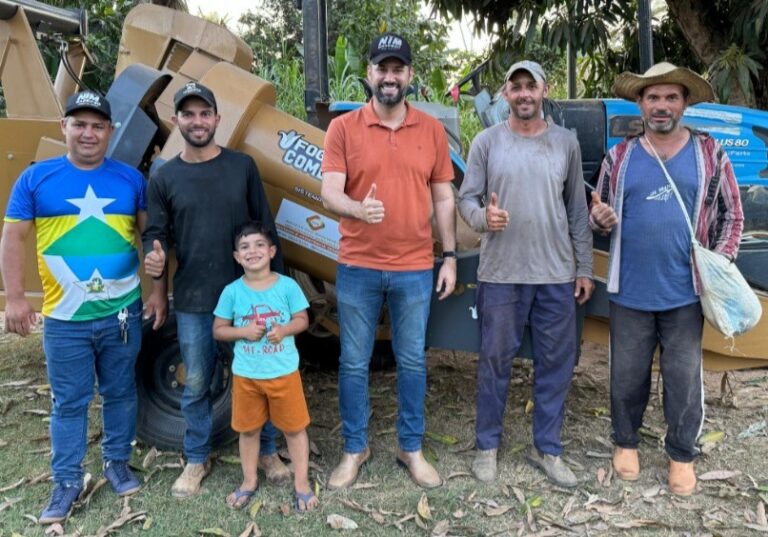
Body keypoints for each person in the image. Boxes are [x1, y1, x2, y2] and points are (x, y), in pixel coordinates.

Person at [589, 62, 743, 496]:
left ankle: (681, 454)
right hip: (630, 290)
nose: (661, 106)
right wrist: (598, 218)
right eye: (652, 97)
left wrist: (721, 262)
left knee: (683, 378)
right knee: (626, 374)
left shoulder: (710, 154)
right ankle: (626, 442)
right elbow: (598, 214)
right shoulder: (619, 157)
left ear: (684, 102)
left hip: (686, 292)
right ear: (640, 103)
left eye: (671, 97)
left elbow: (733, 213)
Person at [1, 91, 151, 522]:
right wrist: (14, 298)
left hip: (122, 312)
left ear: (110, 131)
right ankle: (67, 480)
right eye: (79, 124)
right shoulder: (35, 180)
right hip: (65, 319)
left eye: (98, 125)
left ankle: (117, 462)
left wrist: (157, 290)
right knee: (69, 401)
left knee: (121, 391)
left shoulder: (130, 180)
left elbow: (151, 238)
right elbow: (13, 238)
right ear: (63, 127)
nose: (89, 133)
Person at [320, 32, 457, 489]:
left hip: (415, 265)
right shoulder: (343, 128)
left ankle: (410, 448)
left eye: (398, 68)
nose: (390, 76)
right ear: (369, 74)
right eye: (382, 68)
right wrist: (359, 210)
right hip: (357, 264)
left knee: (413, 361)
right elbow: (329, 192)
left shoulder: (431, 130)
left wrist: (451, 255)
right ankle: (354, 449)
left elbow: (442, 198)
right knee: (354, 363)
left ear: (410, 76)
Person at [142, 82, 289, 498]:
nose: (197, 121)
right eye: (188, 114)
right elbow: (156, 236)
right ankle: (196, 457)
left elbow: (265, 226)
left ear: (217, 119)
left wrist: (275, 289)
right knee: (197, 382)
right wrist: (155, 271)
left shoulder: (242, 167)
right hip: (194, 298)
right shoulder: (164, 176)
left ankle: (268, 451)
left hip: (249, 296)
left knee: (263, 374)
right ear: (177, 121)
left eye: (205, 113)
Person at [458, 61, 593, 487]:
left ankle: (547, 449)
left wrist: (584, 267)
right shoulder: (486, 142)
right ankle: (487, 448)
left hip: (555, 274)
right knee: (495, 363)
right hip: (501, 274)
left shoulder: (565, 144)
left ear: (544, 89)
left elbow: (577, 210)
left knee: (556, 363)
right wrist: (484, 218)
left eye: (529, 86)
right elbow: (466, 200)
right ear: (505, 94)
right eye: (515, 87)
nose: (522, 94)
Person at [213, 222, 317, 512]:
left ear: (271, 251)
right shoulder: (232, 292)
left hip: (283, 374)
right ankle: (248, 481)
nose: (252, 251)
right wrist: (243, 332)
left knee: (295, 429)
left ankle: (302, 483)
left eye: (259, 245)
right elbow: (219, 329)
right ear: (236, 256)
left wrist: (284, 330)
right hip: (247, 376)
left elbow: (303, 320)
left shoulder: (287, 285)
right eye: (244, 247)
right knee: (248, 431)